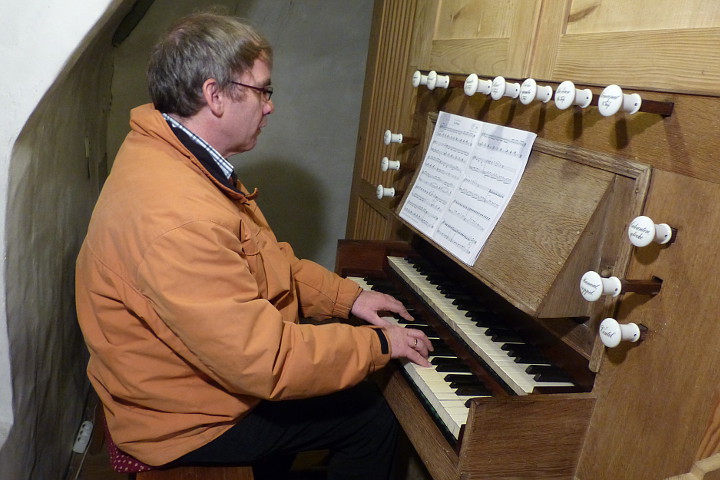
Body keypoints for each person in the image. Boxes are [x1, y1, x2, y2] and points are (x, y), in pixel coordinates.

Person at [75, 11, 432, 480]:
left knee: (338, 389)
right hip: (182, 420)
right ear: (214, 95)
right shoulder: (178, 214)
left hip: (191, 385)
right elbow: (267, 361)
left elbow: (270, 262)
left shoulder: (180, 158)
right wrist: (380, 344)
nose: (270, 106)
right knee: (371, 417)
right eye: (264, 90)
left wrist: (351, 298)